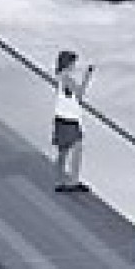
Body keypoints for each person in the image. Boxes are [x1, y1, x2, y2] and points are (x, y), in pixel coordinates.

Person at [50, 51, 93, 191]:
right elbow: (79, 94)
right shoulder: (66, 78)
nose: (74, 66)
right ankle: (71, 180)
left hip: (62, 118)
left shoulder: (60, 77)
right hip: (69, 119)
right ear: (68, 63)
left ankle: (60, 180)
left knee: (64, 152)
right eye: (73, 63)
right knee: (74, 149)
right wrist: (87, 77)